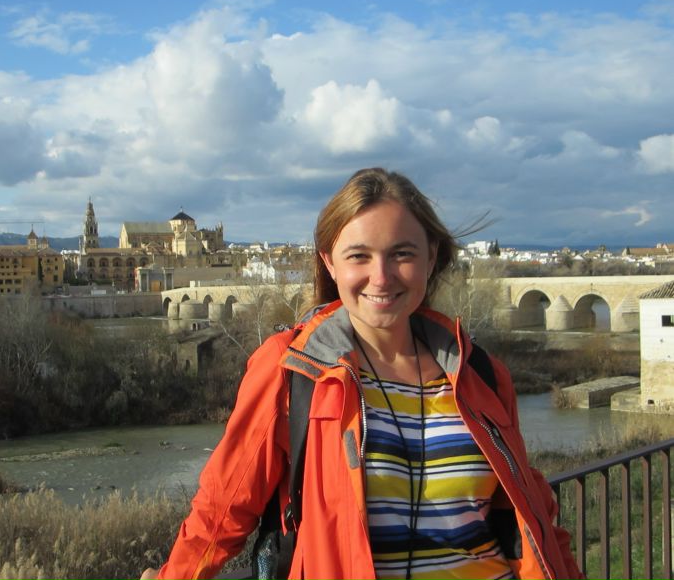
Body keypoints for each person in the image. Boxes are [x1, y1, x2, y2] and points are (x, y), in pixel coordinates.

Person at [141, 168, 584, 580]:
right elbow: (223, 509)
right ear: (330, 263)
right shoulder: (292, 369)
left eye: (401, 254)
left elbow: (533, 515)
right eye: (359, 256)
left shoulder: (480, 373)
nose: (381, 276)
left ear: (431, 257)